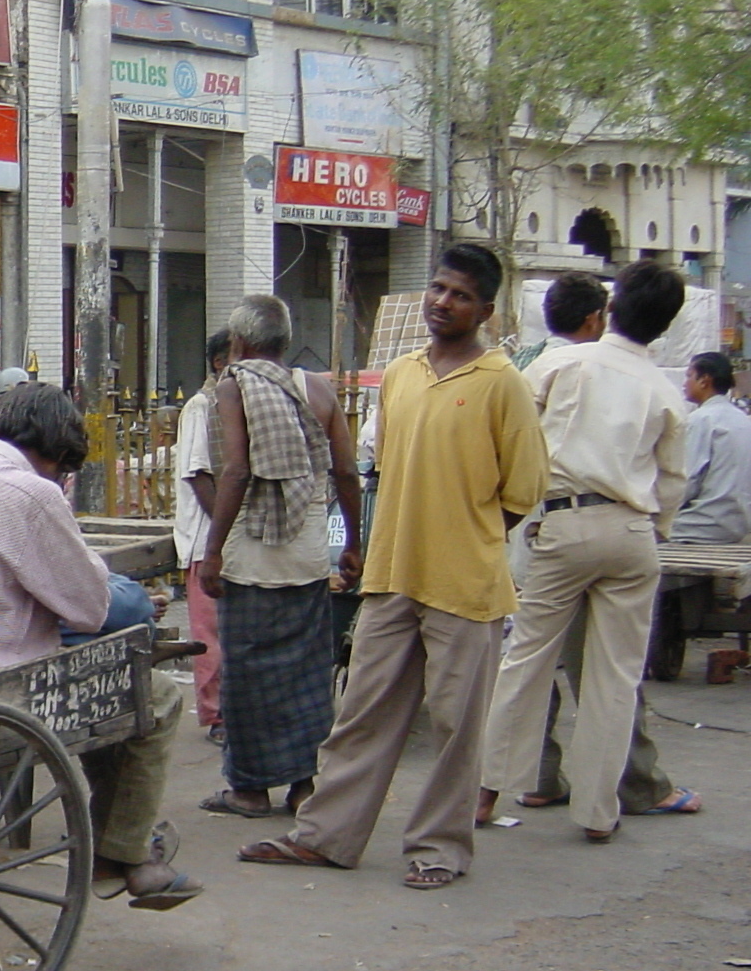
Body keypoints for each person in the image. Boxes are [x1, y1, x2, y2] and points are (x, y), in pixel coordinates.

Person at [240, 244, 548, 889]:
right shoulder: (403, 373)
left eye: (461, 294)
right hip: (390, 576)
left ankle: (439, 850)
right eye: (439, 288)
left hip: (466, 586)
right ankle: (326, 836)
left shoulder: (502, 383)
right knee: (362, 712)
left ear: (485, 310)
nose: (444, 302)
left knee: (455, 728)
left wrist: (466, 540)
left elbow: (521, 494)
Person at [0, 383, 202, 910]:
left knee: (108, 672)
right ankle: (124, 851)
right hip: (3, 695)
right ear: (54, 454)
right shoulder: (33, 493)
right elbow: (90, 609)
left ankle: (124, 849)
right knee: (155, 696)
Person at [479, 260, 690, 842]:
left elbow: (513, 432)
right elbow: (672, 481)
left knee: (526, 660)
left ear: (610, 309)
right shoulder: (666, 390)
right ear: (664, 325)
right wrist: (653, 528)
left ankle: (487, 789)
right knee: (614, 679)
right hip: (633, 534)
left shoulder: (563, 362)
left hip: (563, 523)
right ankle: (599, 813)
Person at [196, 298, 360, 819]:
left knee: (247, 673)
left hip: (252, 552)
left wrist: (214, 549)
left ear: (239, 344)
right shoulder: (319, 390)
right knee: (306, 674)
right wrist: (354, 543)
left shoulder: (233, 384)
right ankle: (304, 786)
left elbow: (238, 472)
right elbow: (347, 474)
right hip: (308, 554)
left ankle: (248, 789)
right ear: (285, 342)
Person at [173, 328, 231, 737]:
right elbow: (198, 474)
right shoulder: (200, 406)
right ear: (218, 362)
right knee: (210, 634)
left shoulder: (235, 405)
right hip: (205, 538)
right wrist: (226, 532)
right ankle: (214, 714)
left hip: (230, 537)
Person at [675, 351, 751, 545]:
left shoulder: (701, 420)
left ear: (704, 380)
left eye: (689, 376)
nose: (685, 383)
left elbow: (687, 482)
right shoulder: (742, 419)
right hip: (739, 523)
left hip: (701, 526)